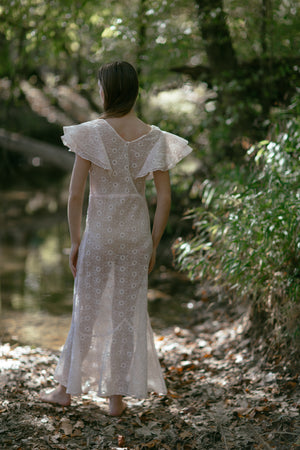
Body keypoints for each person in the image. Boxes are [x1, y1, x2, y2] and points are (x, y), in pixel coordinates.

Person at [40, 61, 192, 416]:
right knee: (126, 313)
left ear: (106, 91)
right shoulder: (153, 136)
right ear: (135, 91)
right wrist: (154, 244)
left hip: (100, 232)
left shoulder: (92, 133)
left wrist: (75, 240)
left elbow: (75, 195)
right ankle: (116, 399)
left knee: (87, 309)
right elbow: (164, 198)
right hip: (136, 235)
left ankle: (64, 390)